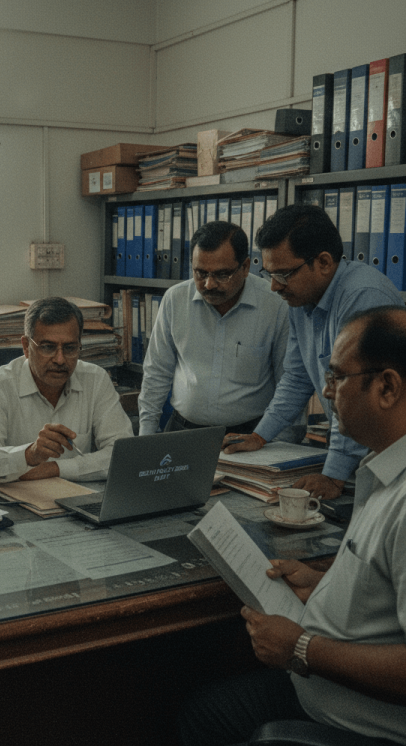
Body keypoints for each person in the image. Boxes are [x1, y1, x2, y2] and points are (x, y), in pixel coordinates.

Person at [179, 305, 406, 746]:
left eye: (338, 377)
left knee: (203, 717)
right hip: (327, 690)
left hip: (355, 722)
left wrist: (302, 649)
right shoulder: (383, 466)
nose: (326, 391)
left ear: (388, 387)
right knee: (206, 703)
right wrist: (320, 583)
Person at [223, 204, 403, 499]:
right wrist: (260, 435)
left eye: (283, 274)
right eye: (268, 273)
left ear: (323, 262)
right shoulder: (302, 297)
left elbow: (362, 397)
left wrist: (333, 476)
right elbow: (296, 378)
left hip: (386, 460)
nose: (272, 287)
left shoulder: (363, 298)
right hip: (357, 457)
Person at [138, 221, 292, 438]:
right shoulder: (175, 299)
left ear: (246, 267)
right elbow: (157, 372)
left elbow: (288, 382)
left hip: (250, 435)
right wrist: (146, 434)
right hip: (183, 431)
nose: (209, 284)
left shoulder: (275, 305)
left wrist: (280, 445)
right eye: (200, 273)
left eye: (222, 275)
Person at [0, 296, 133, 486]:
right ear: (26, 347)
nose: (60, 359)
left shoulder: (95, 380)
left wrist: (56, 469)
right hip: (13, 501)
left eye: (70, 348)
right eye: (48, 347)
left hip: (75, 497)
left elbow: (123, 455)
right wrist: (29, 454)